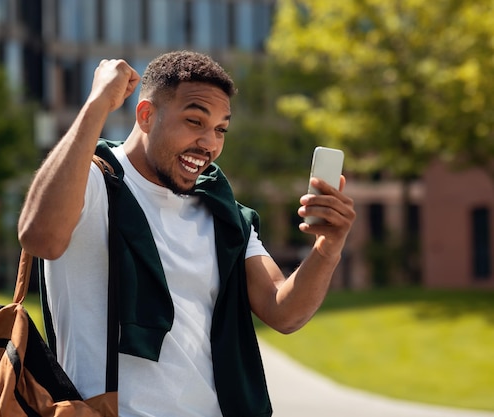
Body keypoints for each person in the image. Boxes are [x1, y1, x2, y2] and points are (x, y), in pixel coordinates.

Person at [18, 50, 356, 417]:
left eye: (220, 129)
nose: (209, 143)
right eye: (195, 121)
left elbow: (284, 311)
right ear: (146, 116)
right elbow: (39, 237)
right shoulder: (94, 183)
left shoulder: (222, 212)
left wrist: (328, 247)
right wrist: (99, 101)